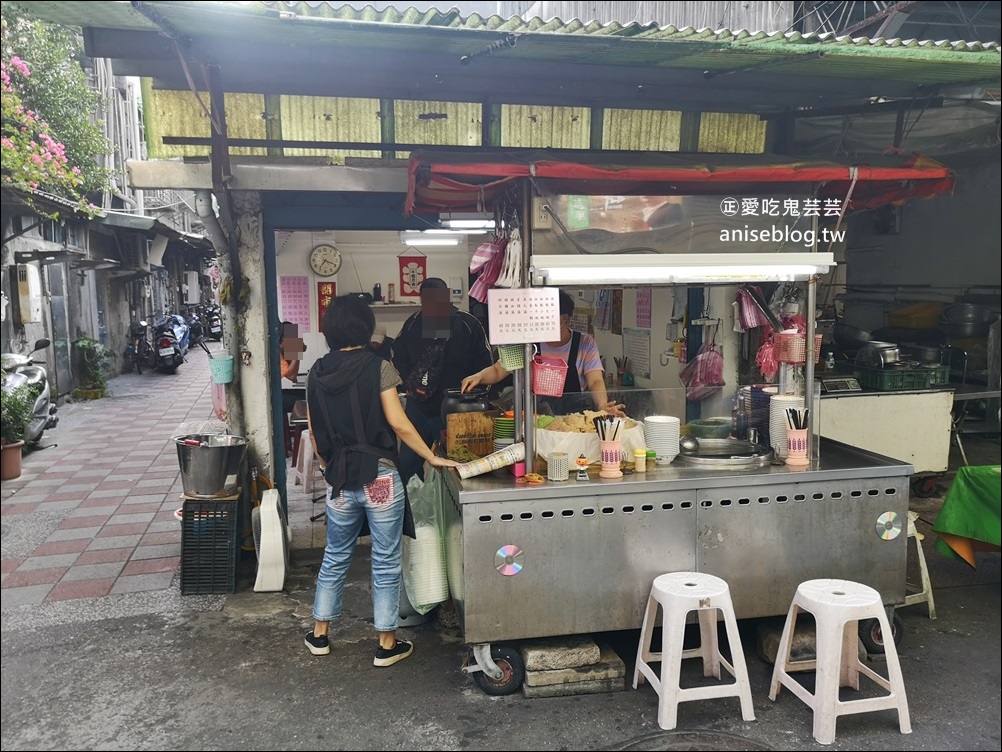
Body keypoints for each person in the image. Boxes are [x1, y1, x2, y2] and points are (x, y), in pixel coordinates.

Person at [304, 294, 458, 666]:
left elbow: (314, 433)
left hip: (339, 478)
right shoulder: (379, 368)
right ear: (366, 327)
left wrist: (330, 467)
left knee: (336, 555)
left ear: (329, 331)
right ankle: (386, 644)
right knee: (386, 559)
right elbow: (400, 423)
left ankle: (320, 635)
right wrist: (431, 455)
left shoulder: (316, 371)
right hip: (380, 479)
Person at [461, 289, 625, 417]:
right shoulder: (527, 342)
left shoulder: (585, 344)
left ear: (564, 319)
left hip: (573, 419)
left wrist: (602, 405)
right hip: (535, 419)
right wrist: (479, 377)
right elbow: (498, 370)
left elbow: (595, 380)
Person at [392, 277, 493, 483]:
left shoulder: (467, 324)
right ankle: (413, 511)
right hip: (419, 409)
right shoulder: (412, 324)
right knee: (408, 466)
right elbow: (397, 355)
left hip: (459, 411)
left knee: (457, 468)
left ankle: (448, 510)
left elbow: (486, 364)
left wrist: (475, 396)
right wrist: (407, 385)